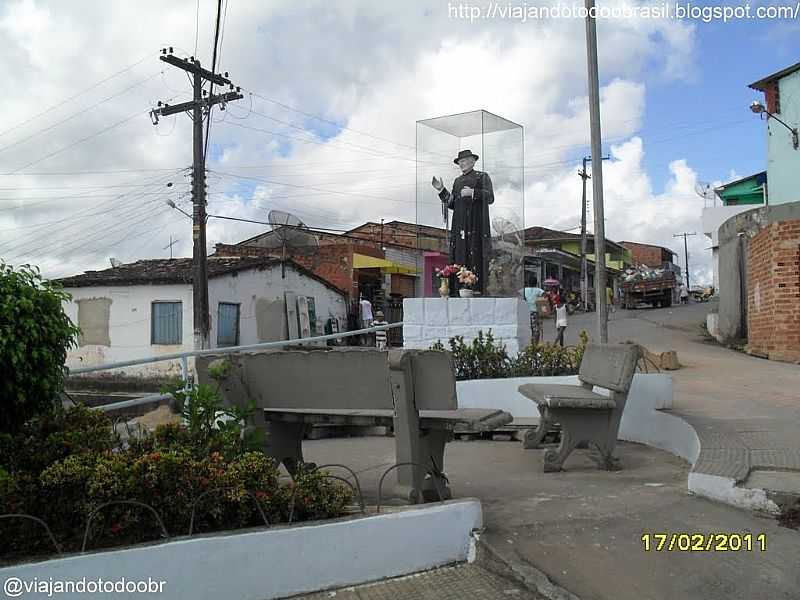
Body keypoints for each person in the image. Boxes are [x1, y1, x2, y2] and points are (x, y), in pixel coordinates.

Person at [432, 149, 494, 295]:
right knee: (459, 252)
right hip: (459, 223)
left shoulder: (482, 177)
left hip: (476, 222)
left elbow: (490, 197)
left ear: (472, 161)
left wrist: (474, 193)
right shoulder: (457, 181)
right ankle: (458, 288)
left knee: (475, 250)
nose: (462, 164)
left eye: (465, 161)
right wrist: (441, 190)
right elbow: (452, 203)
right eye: (460, 162)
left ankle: (477, 287)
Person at [522, 275, 545, 344]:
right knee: (536, 330)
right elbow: (545, 296)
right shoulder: (538, 290)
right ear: (536, 283)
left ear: (528, 283)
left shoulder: (524, 290)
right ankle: (535, 345)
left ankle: (531, 345)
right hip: (535, 313)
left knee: (528, 330)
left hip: (526, 313)